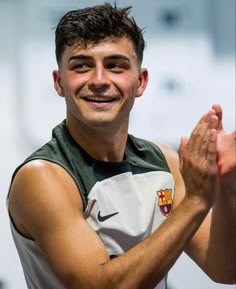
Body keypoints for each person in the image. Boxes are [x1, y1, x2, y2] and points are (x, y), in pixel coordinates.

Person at [7, 3, 235, 289]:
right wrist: (196, 202)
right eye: (81, 66)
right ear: (59, 82)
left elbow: (225, 268)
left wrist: (228, 184)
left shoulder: (163, 160)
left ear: (140, 82)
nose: (99, 80)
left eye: (115, 65)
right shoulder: (42, 176)